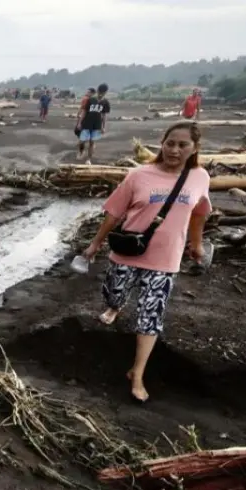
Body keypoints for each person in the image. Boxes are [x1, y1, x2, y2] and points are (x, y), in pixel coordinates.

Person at [81, 122, 212, 403]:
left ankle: (137, 373)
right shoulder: (139, 175)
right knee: (114, 293)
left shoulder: (200, 177)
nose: (174, 150)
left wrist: (197, 245)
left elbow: (200, 213)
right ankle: (115, 306)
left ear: (194, 149)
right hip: (128, 252)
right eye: (170, 143)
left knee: (151, 316)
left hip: (166, 259)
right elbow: (114, 213)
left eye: (182, 145)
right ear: (162, 143)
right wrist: (95, 244)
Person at [77, 83, 110, 163]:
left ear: (105, 93)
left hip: (97, 125)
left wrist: (103, 126)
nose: (100, 94)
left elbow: (104, 115)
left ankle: (88, 159)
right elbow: (84, 111)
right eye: (99, 92)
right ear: (97, 91)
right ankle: (81, 151)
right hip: (86, 123)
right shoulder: (90, 100)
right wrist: (80, 123)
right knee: (82, 141)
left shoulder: (105, 102)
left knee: (92, 142)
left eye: (102, 93)